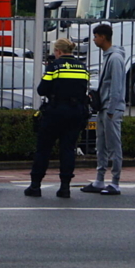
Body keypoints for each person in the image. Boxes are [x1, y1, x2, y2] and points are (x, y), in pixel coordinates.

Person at [25, 38, 90, 198]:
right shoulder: (82, 68)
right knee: (68, 149)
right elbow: (83, 89)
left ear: (59, 51)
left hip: (55, 112)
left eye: (55, 51)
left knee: (44, 149)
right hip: (76, 112)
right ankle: (65, 187)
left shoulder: (54, 66)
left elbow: (42, 90)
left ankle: (35, 186)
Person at [81, 23, 126, 195]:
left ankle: (115, 182)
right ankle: (100, 180)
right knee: (101, 144)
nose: (94, 39)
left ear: (103, 37)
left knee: (114, 145)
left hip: (110, 109)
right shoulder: (109, 57)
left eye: (96, 36)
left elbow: (116, 87)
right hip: (105, 108)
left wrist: (111, 110)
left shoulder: (114, 59)